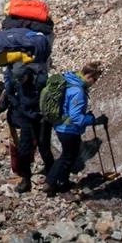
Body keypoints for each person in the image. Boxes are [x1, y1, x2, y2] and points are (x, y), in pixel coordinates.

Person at [46, 62, 105, 196]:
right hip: (69, 129)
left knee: (69, 155)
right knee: (68, 157)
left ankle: (62, 181)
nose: (94, 83)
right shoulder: (78, 91)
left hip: (60, 125)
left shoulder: (69, 80)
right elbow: (76, 118)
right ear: (88, 75)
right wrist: (93, 121)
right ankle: (51, 182)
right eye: (94, 79)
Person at [0, 62, 51, 193]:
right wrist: (0, 106)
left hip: (39, 119)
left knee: (44, 147)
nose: (19, 81)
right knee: (23, 151)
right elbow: (8, 95)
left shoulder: (39, 81)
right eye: (17, 79)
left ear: (27, 74)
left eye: (21, 78)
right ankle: (26, 180)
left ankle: (51, 175)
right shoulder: (14, 80)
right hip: (23, 120)